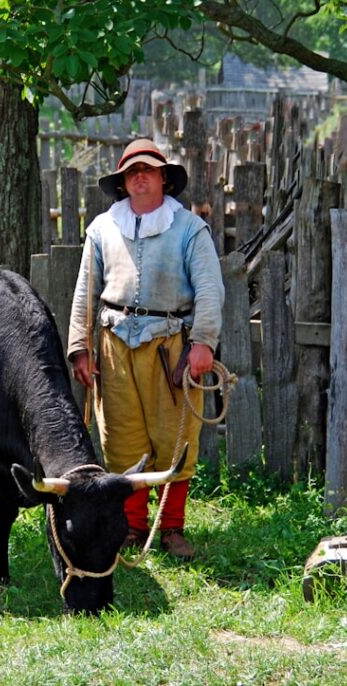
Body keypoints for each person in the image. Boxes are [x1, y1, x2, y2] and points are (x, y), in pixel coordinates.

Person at [67, 138, 224, 559]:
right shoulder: (101, 229)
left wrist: (202, 343)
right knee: (122, 438)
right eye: (131, 172)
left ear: (163, 178)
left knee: (174, 436)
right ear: (122, 183)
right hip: (114, 344)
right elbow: (86, 291)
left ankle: (170, 527)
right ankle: (134, 527)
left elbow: (209, 289)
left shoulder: (189, 228)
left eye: (148, 170)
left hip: (171, 346)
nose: (139, 177)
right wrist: (80, 346)